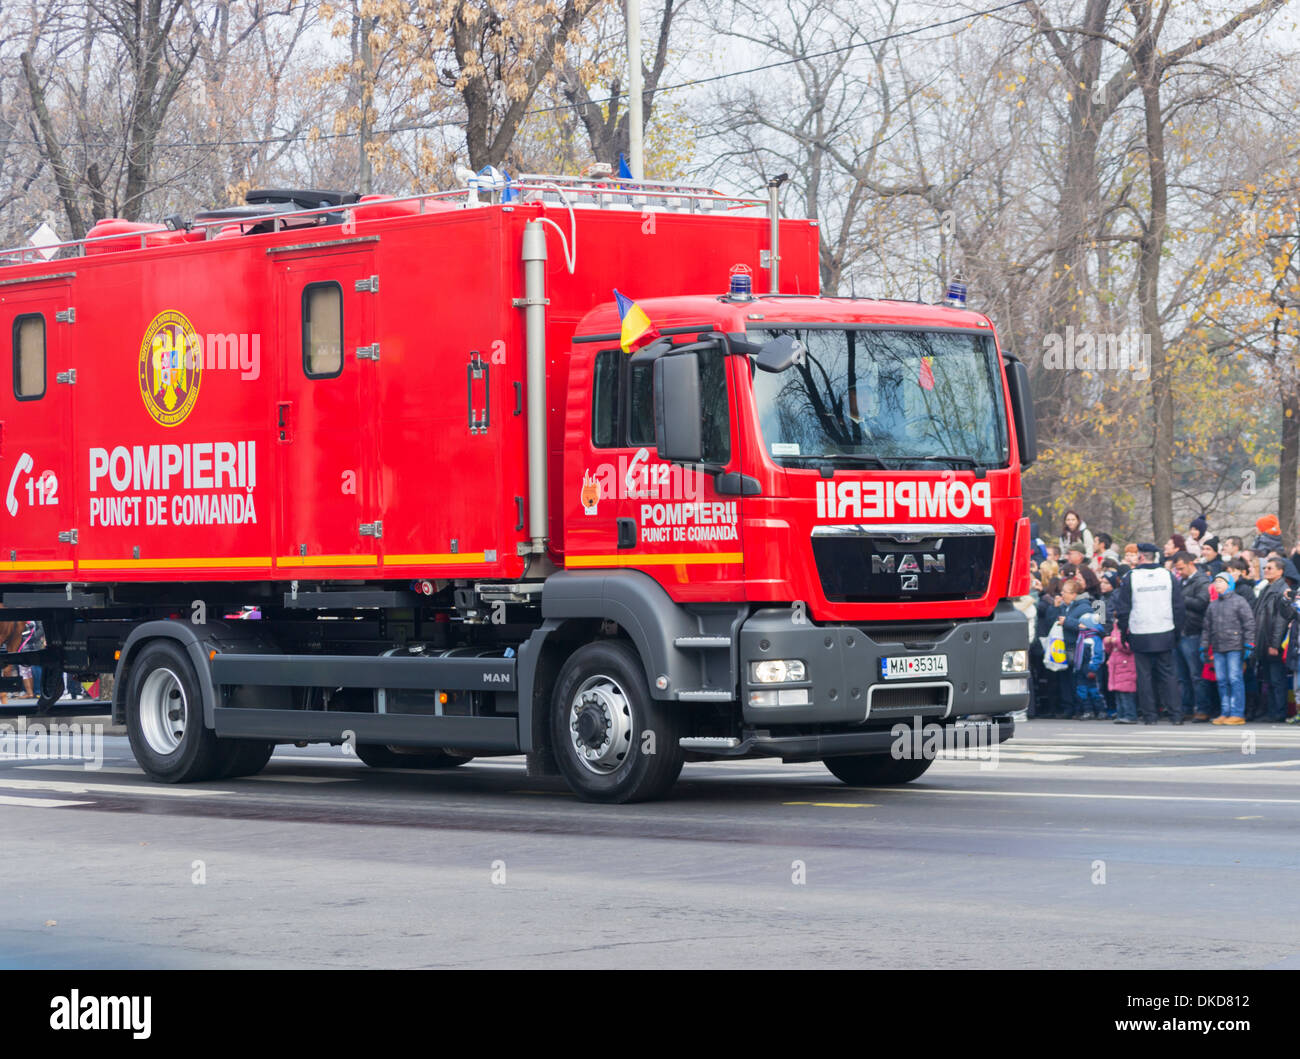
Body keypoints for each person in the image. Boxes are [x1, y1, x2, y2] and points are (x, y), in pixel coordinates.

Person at [1114, 542, 1186, 724]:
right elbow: (1178, 606)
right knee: (1169, 675)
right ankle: (1176, 715)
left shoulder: (1132, 577)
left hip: (1141, 631)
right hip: (1165, 630)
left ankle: (1149, 716)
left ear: (1141, 557)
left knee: (1144, 677)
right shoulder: (1167, 576)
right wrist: (1177, 630)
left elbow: (1123, 609)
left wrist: (1124, 631)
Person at [1202, 571, 1255, 725]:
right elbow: (1207, 628)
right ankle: (1225, 712)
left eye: (1221, 581)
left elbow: (1249, 624)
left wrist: (1249, 644)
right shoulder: (1213, 605)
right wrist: (1203, 648)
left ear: (1229, 584)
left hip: (1235, 647)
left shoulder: (1240, 601)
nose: (1217, 584)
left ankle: (1237, 712)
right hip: (1218, 647)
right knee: (1221, 680)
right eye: (1215, 581)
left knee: (1234, 678)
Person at [1171, 551, 1213, 722]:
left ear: (1190, 564)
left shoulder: (1201, 581)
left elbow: (1202, 603)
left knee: (1196, 675)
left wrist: (1180, 598)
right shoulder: (1182, 581)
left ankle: (1202, 708)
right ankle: (1186, 707)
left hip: (1194, 632)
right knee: (1182, 676)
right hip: (1180, 632)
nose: (1179, 572)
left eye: (1181, 568)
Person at [1252, 556, 1292, 724]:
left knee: (1277, 680)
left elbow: (1281, 620)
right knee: (1268, 679)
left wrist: (1275, 644)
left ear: (1280, 571)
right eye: (1265, 568)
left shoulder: (1282, 590)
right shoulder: (1266, 589)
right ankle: (1272, 710)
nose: (1265, 570)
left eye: (1270, 568)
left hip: (1272, 643)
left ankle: (1279, 712)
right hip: (1264, 642)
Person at [1054, 578, 1094, 719]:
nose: (1062, 594)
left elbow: (1090, 627)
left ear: (1074, 594)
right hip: (1063, 647)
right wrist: (1055, 607)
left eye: (1065, 591)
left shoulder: (1085, 607)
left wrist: (1067, 622)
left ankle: (1083, 709)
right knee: (1065, 680)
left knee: (1077, 680)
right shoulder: (1064, 606)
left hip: (1078, 648)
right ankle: (1069, 708)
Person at [1104, 618, 1138, 723]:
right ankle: (1121, 714)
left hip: (1126, 664)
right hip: (1115, 664)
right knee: (1118, 692)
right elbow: (1109, 650)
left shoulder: (1129, 628)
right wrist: (1107, 642)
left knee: (1126, 691)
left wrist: (1116, 641)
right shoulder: (1115, 628)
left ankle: (1130, 715)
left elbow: (1129, 647)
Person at [1073, 613, 1106, 719]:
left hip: (1091, 668)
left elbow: (1098, 655)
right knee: (1082, 690)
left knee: (1095, 690)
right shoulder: (1081, 637)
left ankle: (1101, 710)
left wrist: (1093, 668)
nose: (1080, 626)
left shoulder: (1094, 638)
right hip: (1081, 668)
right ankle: (1088, 710)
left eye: (1082, 624)